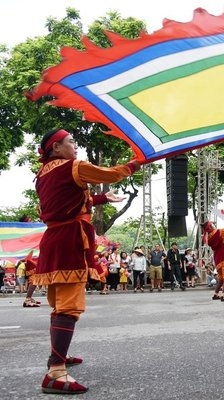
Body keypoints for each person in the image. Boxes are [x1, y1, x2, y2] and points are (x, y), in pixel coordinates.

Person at [31, 128, 140, 394]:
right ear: (56, 147)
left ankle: (58, 354)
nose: (75, 146)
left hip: (53, 239)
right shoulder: (73, 167)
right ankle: (56, 371)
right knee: (69, 307)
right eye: (71, 141)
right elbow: (112, 174)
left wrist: (103, 198)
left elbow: (64, 202)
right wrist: (137, 161)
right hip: (70, 241)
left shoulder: (42, 175)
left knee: (59, 305)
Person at [202, 221, 224, 301]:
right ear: (210, 226)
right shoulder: (218, 232)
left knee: (221, 278)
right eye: (212, 224)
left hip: (217, 257)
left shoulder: (208, 237)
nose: (214, 225)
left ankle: (216, 293)